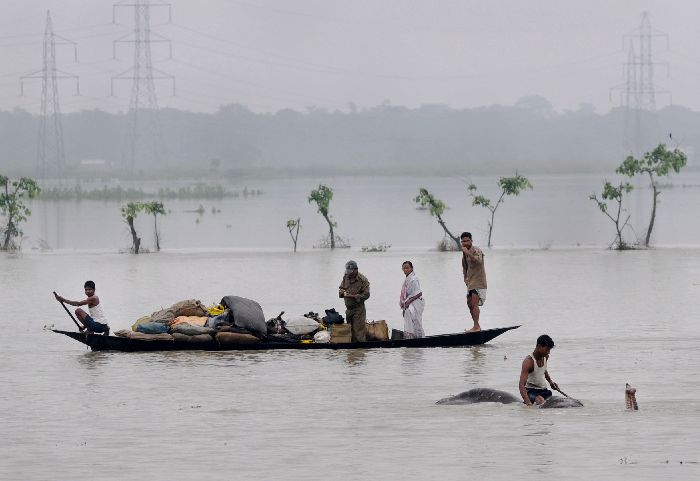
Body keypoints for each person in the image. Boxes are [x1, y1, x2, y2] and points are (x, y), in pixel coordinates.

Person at [518, 334, 560, 406]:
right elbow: (521, 385)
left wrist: (550, 382)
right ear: (539, 346)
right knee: (540, 401)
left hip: (544, 390)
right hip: (531, 392)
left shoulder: (545, 356)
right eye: (547, 349)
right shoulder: (528, 362)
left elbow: (544, 370)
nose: (548, 352)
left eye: (549, 350)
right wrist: (528, 403)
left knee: (558, 401)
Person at [461, 232, 487, 332]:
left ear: (471, 241)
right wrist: (465, 277)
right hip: (471, 281)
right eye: (463, 241)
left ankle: (476, 326)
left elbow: (478, 261)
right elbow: (464, 266)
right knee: (469, 303)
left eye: (467, 241)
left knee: (474, 303)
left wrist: (467, 252)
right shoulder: (464, 252)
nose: (465, 243)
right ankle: (476, 326)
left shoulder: (477, 250)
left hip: (479, 281)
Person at [339, 260, 370, 342]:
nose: (349, 273)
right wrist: (342, 292)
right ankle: (351, 353)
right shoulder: (346, 276)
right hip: (348, 309)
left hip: (358, 309)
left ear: (356, 270)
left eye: (351, 271)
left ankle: (359, 352)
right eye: (348, 271)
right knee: (350, 332)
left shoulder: (363, 280)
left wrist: (355, 296)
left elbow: (367, 295)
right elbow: (341, 287)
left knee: (358, 333)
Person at [400, 261, 425, 338]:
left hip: (415, 303)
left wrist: (409, 302)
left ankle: (419, 338)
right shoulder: (407, 279)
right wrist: (406, 303)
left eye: (407, 268)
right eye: (404, 268)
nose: (405, 270)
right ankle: (412, 338)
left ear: (411, 268)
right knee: (411, 321)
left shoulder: (413, 279)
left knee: (416, 321)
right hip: (409, 303)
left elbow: (419, 293)